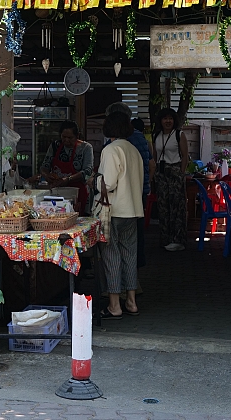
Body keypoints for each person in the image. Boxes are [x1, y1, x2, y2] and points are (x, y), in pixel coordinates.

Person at [97, 111, 144, 319]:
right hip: (132, 210)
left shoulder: (110, 150)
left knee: (111, 256)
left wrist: (94, 182)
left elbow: (108, 184)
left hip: (113, 211)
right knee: (129, 255)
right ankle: (132, 302)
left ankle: (114, 306)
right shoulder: (134, 150)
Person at [104, 103, 152, 268]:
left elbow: (109, 182)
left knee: (115, 247)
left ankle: (119, 285)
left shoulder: (112, 147)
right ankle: (134, 278)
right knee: (135, 240)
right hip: (139, 192)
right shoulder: (139, 138)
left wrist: (96, 181)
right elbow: (150, 164)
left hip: (119, 202)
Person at [151, 107, 190, 252]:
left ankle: (178, 239)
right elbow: (154, 155)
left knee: (177, 206)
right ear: (160, 121)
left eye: (170, 118)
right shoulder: (157, 135)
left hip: (175, 171)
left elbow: (185, 155)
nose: (168, 121)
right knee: (163, 206)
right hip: (161, 173)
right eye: (165, 118)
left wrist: (181, 172)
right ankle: (165, 238)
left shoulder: (179, 134)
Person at [39, 120, 93, 214]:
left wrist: (68, 179)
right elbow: (44, 166)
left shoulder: (86, 148)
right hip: (58, 195)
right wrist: (46, 175)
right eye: (64, 137)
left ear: (77, 136)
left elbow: (87, 172)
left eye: (70, 137)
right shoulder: (55, 146)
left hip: (79, 194)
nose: (66, 140)